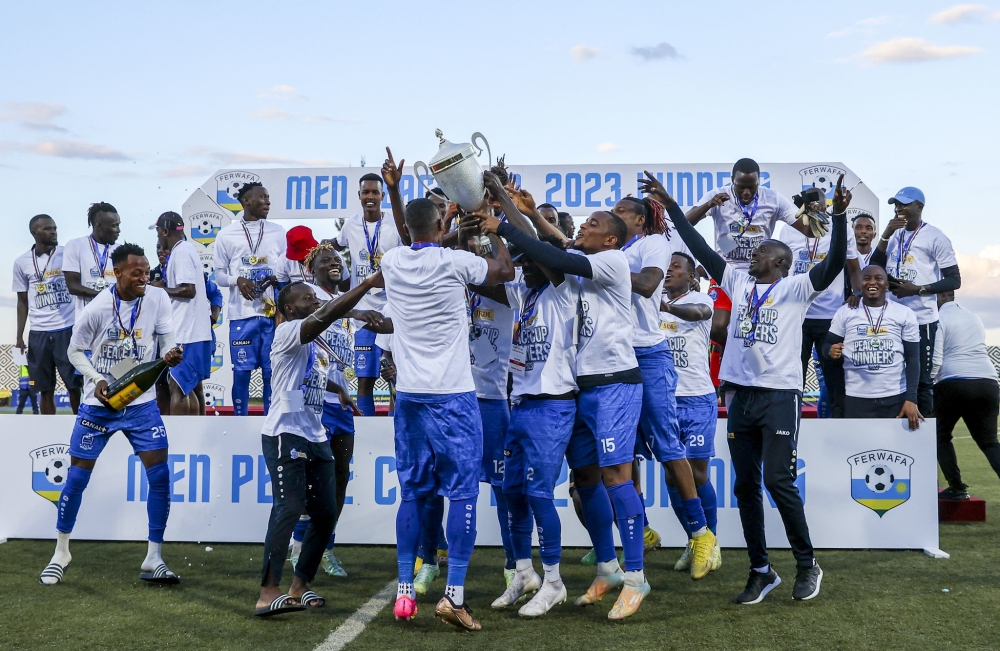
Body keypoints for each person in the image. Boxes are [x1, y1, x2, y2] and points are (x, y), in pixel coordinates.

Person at [644, 170, 851, 605]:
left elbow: (833, 263)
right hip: (740, 394)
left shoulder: (796, 288)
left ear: (780, 262)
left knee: (778, 480)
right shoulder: (737, 282)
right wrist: (671, 206)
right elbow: (698, 245)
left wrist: (838, 217)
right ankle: (761, 570)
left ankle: (807, 564)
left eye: (761, 253)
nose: (752, 255)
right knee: (745, 487)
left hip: (779, 395)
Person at [486, 209, 651, 620]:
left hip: (614, 382)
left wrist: (502, 224)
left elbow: (551, 254)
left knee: (617, 478)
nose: (584, 227)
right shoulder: (576, 267)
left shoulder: (612, 261)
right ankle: (608, 568)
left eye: (593, 224)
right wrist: (511, 204)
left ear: (611, 239)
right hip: (583, 388)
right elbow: (550, 246)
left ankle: (636, 578)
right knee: (586, 480)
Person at [380, 198, 513, 631]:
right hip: (454, 396)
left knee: (412, 494)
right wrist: (492, 228)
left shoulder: (392, 260)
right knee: (461, 495)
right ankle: (453, 596)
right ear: (440, 224)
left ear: (407, 228)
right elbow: (504, 271)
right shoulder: (456, 262)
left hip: (409, 397)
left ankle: (404, 591)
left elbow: (421, 242)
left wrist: (449, 226)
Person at [38, 243, 183, 586]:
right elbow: (75, 351)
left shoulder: (158, 298)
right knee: (76, 479)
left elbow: (167, 337)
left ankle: (154, 557)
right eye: (136, 273)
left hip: (142, 403)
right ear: (117, 273)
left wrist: (170, 354)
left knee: (160, 477)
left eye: (147, 272)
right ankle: (61, 552)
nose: (144, 278)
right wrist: (96, 378)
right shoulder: (97, 308)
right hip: (99, 405)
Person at [254, 272, 382, 617]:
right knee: (289, 507)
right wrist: (366, 285)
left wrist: (338, 390)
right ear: (288, 308)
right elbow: (325, 315)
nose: (314, 301)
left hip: (315, 435)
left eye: (315, 298)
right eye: (306, 298)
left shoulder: (314, 342)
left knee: (326, 513)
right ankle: (268, 592)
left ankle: (300, 586)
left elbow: (308, 379)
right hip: (285, 433)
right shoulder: (287, 332)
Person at [611, 194, 716, 579]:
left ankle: (704, 535)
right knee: (626, 455)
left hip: (672, 376)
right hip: (620, 359)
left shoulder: (654, 246)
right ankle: (641, 532)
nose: (615, 214)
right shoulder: (616, 251)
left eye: (623, 211)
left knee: (679, 459)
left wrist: (600, 267)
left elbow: (653, 285)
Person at [286, 244, 367, 578]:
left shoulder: (345, 300)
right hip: (312, 402)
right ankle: (297, 547)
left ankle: (325, 548)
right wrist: (357, 311)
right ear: (312, 269)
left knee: (339, 479)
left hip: (340, 402)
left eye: (338, 260)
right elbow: (324, 315)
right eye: (326, 260)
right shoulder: (308, 297)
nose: (335, 263)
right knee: (309, 481)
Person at [871, 187, 961, 415]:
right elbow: (874, 266)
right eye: (896, 204)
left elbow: (954, 280)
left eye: (904, 204)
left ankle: (923, 432)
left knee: (922, 381)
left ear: (919, 207)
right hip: (891, 317)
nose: (898, 209)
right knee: (890, 377)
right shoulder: (895, 236)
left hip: (921, 319)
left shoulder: (936, 237)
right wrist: (885, 235)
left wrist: (917, 289)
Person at [659, 252, 722, 573]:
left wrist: (666, 308)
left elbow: (700, 314)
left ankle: (712, 543)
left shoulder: (700, 299)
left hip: (696, 398)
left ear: (691, 277)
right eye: (666, 267)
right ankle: (694, 540)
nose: (669, 271)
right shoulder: (652, 301)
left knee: (696, 474)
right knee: (672, 475)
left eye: (675, 267)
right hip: (664, 401)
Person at [777, 188, 862, 418]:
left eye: (821, 205)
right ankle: (789, 426)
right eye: (812, 206)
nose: (818, 209)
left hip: (831, 318)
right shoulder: (789, 229)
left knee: (835, 381)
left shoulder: (840, 228)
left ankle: (839, 429)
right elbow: (780, 271)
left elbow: (854, 268)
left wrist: (857, 293)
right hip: (797, 316)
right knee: (794, 377)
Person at [213, 182, 286, 415]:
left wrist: (276, 279)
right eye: (262, 197)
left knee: (271, 373)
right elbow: (219, 275)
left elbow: (286, 270)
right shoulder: (226, 235)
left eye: (268, 197)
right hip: (242, 316)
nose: (268, 202)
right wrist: (238, 280)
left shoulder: (278, 232)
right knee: (241, 373)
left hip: (272, 316)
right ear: (246, 200)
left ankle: (271, 422)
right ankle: (239, 421)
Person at [823, 265, 922, 429]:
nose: (872, 282)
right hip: (856, 398)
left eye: (878, 278)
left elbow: (913, 358)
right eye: (867, 278)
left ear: (887, 285)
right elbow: (827, 345)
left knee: (891, 445)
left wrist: (911, 398)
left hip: (894, 397)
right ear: (860, 284)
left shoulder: (904, 313)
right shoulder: (845, 312)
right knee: (857, 445)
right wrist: (830, 351)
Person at [335, 173, 401, 416]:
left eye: (375, 192)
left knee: (396, 377)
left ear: (383, 196)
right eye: (366, 192)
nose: (370, 197)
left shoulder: (395, 224)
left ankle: (394, 427)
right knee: (364, 380)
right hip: (363, 315)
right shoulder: (351, 225)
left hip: (392, 311)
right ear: (359, 195)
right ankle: (365, 429)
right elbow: (335, 244)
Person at [932, 290, 1000, 500]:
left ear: (944, 296)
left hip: (954, 381)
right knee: (989, 441)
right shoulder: (974, 316)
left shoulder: (938, 318)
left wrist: (928, 384)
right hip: (988, 382)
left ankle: (957, 487)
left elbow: (936, 358)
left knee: (939, 436)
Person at [13, 214, 80, 415]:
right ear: (35, 232)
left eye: (55, 228)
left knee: (74, 386)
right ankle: (47, 427)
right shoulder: (21, 262)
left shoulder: (67, 254)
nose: (53, 232)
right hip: (39, 332)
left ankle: (81, 425)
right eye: (48, 229)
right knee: (44, 389)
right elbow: (22, 302)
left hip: (67, 328)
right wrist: (19, 336)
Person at [151, 212, 212, 415]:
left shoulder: (182, 252)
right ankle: (193, 430)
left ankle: (180, 432)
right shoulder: (183, 249)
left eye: (158, 233)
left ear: (165, 231)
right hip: (191, 331)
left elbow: (188, 290)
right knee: (189, 388)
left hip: (186, 333)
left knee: (177, 388)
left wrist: (160, 289)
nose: (158, 238)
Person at [63, 202, 120, 318]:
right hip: (86, 319)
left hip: (115, 318)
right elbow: (72, 286)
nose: (118, 230)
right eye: (114, 226)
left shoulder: (120, 250)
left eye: (118, 225)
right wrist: (104, 296)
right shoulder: (75, 246)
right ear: (99, 225)